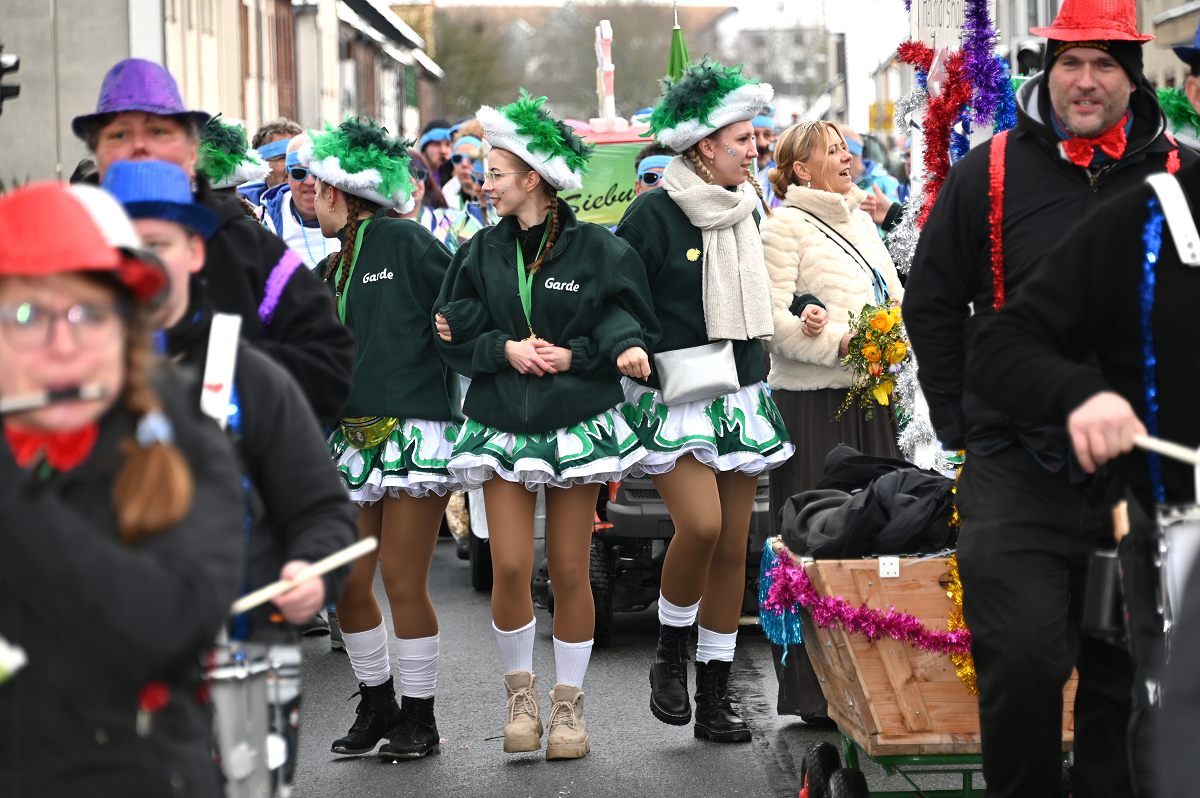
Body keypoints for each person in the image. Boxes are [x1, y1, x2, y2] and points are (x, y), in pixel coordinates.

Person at [901, 0, 1191, 793]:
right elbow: (932, 301)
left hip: (1146, 475)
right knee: (1023, 660)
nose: (1086, 81)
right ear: (1047, 69)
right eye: (1072, 63)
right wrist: (963, 423)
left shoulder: (1181, 177)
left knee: (1130, 681)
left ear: (1133, 78)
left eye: (1105, 64)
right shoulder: (989, 171)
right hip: (1018, 467)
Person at [101, 158, 359, 786]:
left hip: (243, 649)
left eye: (158, 244)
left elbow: (322, 510)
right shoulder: (63, 375)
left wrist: (313, 570)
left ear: (194, 252)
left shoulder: (251, 373)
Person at [434, 90, 659, 761]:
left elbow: (623, 319)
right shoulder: (479, 250)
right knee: (508, 565)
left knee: (568, 568)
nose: (485, 183)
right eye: (484, 172)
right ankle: (520, 699)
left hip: (574, 420)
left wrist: (584, 356)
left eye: (496, 173)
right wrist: (501, 349)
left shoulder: (597, 250)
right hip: (502, 420)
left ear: (533, 179)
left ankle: (568, 706)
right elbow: (452, 328)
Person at [0, 181, 245, 797]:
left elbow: (165, 626)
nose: (63, 345)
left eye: (88, 313)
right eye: (26, 315)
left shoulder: (183, 440)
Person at [615, 59, 793, 744]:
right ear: (705, 146)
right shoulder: (653, 213)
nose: (755, 150)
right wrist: (629, 341)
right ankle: (669, 652)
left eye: (755, 138)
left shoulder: (749, 206)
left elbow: (763, 294)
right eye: (743, 139)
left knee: (733, 546)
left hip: (741, 390)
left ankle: (715, 692)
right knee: (702, 526)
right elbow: (617, 297)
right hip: (677, 393)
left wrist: (803, 305)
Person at [72, 59, 355, 428]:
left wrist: (230, 387)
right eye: (119, 135)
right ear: (98, 152)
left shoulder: (243, 245)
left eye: (158, 131)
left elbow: (328, 358)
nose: (140, 147)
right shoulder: (65, 248)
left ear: (190, 153)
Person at [301, 118, 463, 761]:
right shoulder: (330, 267)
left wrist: (457, 333)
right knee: (346, 579)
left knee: (401, 577)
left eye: (315, 187)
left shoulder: (406, 239)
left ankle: (421, 716)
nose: (309, 197)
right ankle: (378, 703)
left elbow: (464, 301)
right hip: (351, 439)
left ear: (338, 192)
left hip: (414, 432)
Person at [759, 119, 904, 721]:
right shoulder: (782, 227)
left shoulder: (863, 221)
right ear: (801, 168)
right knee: (816, 541)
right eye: (833, 151)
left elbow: (893, 298)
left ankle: (881, 684)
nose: (848, 158)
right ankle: (813, 690)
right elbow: (771, 321)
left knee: (880, 539)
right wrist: (841, 343)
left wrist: (893, 339)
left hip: (873, 397)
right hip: (813, 403)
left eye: (848, 149)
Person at [261, 134, 343, 271]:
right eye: (299, 173)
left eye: (316, 174)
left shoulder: (351, 214)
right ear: (287, 176)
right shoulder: (266, 221)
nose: (310, 182)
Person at [240, 117, 303, 206]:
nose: (292, 166)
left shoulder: (321, 202)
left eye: (297, 157)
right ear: (261, 166)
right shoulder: (243, 206)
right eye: (282, 158)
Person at [752, 114, 779, 210]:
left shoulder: (781, 175)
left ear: (774, 138)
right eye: (754, 136)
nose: (762, 144)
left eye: (767, 135)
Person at [418, 119, 455, 186]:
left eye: (447, 144)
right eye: (436, 144)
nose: (443, 151)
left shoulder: (457, 180)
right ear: (424, 149)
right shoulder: (412, 178)